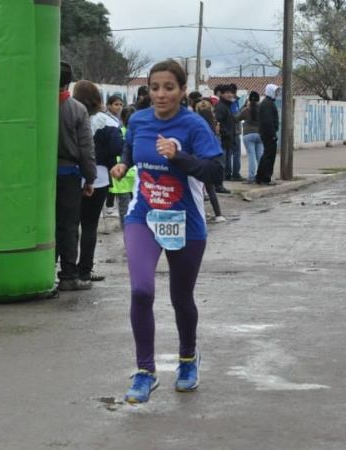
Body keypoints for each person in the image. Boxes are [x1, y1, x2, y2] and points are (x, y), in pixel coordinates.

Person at [110, 59, 224, 404]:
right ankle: (145, 371)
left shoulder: (193, 125)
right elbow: (132, 146)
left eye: (169, 88)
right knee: (141, 291)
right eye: (155, 87)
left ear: (181, 90)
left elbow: (214, 171)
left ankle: (188, 359)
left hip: (185, 221)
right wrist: (124, 163)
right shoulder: (140, 119)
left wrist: (179, 157)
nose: (161, 95)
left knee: (180, 298)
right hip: (143, 215)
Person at [73, 80, 123, 283]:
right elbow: (117, 148)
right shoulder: (107, 121)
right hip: (99, 177)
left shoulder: (68, 114)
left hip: (71, 177)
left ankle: (66, 269)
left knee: (68, 226)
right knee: (89, 226)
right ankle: (85, 269)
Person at [56, 62, 96, 290]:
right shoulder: (77, 109)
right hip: (69, 175)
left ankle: (43, 271)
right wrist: (89, 178)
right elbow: (86, 149)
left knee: (46, 224)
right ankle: (69, 276)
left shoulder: (37, 105)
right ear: (68, 82)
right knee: (69, 225)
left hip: (40, 176)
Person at [194, 99, 226, 223]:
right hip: (210, 158)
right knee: (210, 188)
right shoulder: (212, 124)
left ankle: (200, 213)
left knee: (197, 189)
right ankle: (218, 214)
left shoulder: (195, 122)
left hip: (197, 158)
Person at [108, 106, 137, 230]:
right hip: (130, 175)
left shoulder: (119, 131)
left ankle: (127, 232)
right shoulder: (135, 134)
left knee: (124, 207)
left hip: (123, 175)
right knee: (133, 206)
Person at [235, 91, 264, 183]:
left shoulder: (246, 109)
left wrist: (243, 106)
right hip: (260, 135)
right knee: (260, 157)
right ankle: (261, 176)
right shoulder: (262, 109)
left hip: (248, 135)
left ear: (249, 99)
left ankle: (251, 177)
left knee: (251, 157)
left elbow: (236, 118)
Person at [255, 84, 280, 185]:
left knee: (266, 155)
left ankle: (260, 177)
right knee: (269, 157)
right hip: (268, 134)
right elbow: (268, 121)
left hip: (267, 133)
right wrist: (273, 134)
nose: (277, 94)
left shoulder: (268, 102)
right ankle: (266, 178)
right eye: (276, 91)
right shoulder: (267, 104)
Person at [213, 84, 235, 193]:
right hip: (222, 140)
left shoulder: (227, 106)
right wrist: (225, 134)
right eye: (227, 93)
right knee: (220, 164)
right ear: (221, 94)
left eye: (231, 93)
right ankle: (218, 186)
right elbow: (217, 123)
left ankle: (219, 185)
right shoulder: (221, 106)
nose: (230, 95)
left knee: (223, 164)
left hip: (227, 140)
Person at [228, 83, 244, 181]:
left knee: (230, 153)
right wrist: (243, 111)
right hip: (235, 130)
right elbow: (236, 116)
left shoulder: (230, 101)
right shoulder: (233, 102)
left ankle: (230, 173)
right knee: (236, 153)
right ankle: (235, 174)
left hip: (231, 130)